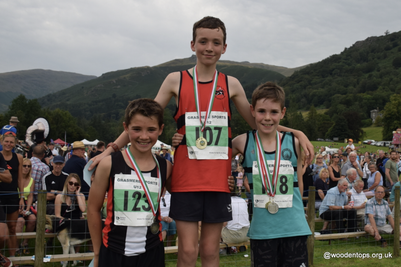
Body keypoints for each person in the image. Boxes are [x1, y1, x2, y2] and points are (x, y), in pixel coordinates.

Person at [88, 16, 314, 267]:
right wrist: (112, 148)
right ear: (192, 44)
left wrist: (297, 133)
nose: (209, 47)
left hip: (217, 181)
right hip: (186, 180)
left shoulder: (231, 84)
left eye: (216, 42)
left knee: (209, 251)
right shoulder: (176, 80)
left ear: (224, 47)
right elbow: (143, 116)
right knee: (186, 251)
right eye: (203, 41)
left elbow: (258, 122)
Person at [232, 82, 311, 266]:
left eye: (274, 112)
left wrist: (298, 133)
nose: (267, 117)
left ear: (283, 113)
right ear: (252, 110)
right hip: (263, 232)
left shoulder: (296, 143)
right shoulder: (241, 142)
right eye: (261, 111)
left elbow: (299, 185)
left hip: (294, 229)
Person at [88, 99, 172, 267]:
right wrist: (97, 253)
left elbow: (186, 193)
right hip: (113, 251)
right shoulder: (109, 164)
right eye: (136, 129)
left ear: (161, 129)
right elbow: (92, 208)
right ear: (126, 128)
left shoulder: (166, 166)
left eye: (151, 130)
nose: (144, 136)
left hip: (152, 251)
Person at [0, 131, 24, 258]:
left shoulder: (18, 158)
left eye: (11, 142)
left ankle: (12, 257)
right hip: (0, 195)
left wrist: (21, 197)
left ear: (14, 144)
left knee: (12, 227)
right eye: (6, 141)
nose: (8, 144)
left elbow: (20, 179)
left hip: (13, 195)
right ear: (2, 142)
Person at [15, 158, 36, 255]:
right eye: (24, 166)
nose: (26, 168)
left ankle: (25, 243)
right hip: (15, 203)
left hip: (27, 204)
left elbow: (31, 195)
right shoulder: (15, 178)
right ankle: (16, 246)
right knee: (20, 221)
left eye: (29, 166)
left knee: (32, 218)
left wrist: (27, 208)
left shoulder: (31, 180)